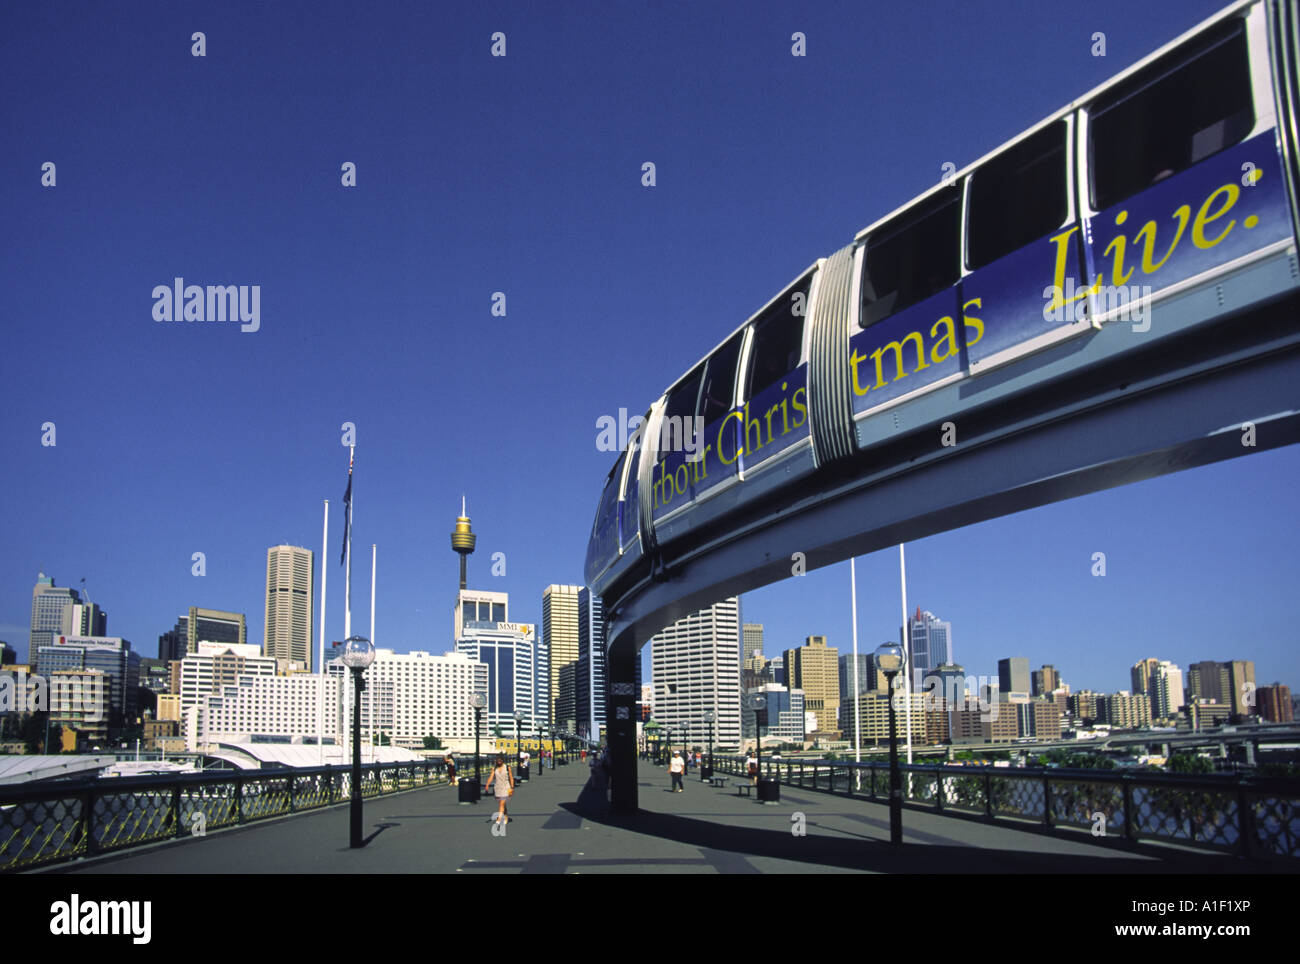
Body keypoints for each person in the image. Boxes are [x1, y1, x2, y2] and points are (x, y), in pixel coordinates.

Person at [489, 755, 514, 826]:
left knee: (501, 804)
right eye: (497, 760)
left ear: (503, 760)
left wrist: (512, 787)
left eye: (500, 760)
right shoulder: (494, 768)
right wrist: (487, 785)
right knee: (502, 804)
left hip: (506, 787)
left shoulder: (507, 767)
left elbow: (511, 777)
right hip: (498, 788)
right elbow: (491, 777)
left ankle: (499, 819)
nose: (499, 761)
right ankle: (506, 817)